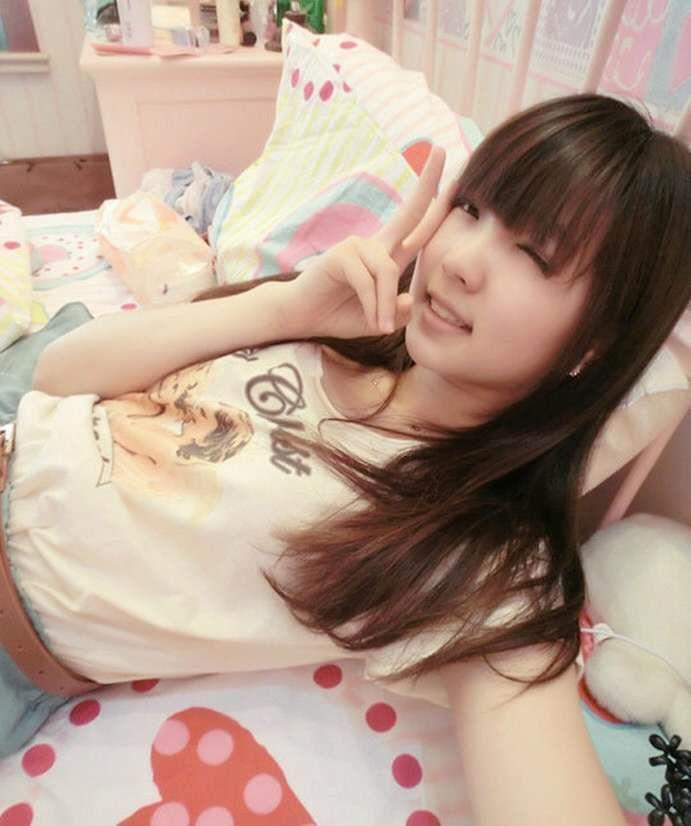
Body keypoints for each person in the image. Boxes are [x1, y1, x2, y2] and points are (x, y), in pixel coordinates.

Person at [1, 93, 689, 824]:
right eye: (470, 209)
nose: (458, 261)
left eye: (534, 254)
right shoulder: (336, 319)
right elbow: (57, 376)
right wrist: (283, 308)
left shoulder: (482, 558)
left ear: (595, 345)